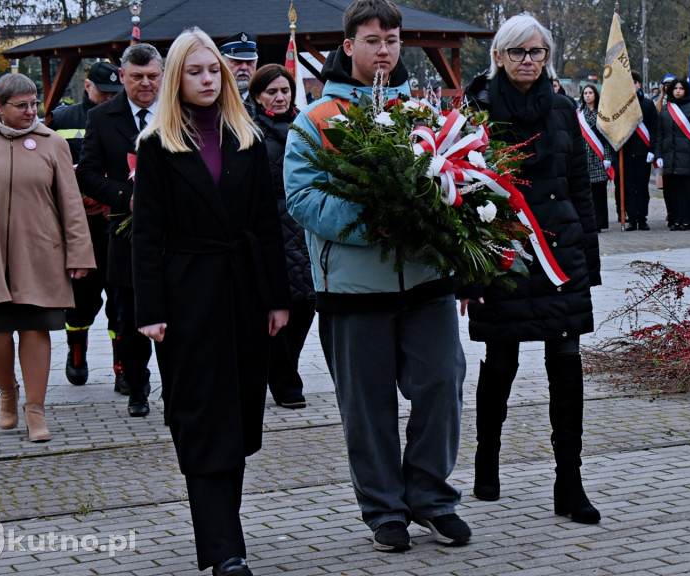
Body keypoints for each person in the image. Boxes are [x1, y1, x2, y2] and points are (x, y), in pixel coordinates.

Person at [285, 0, 472, 552]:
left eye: (392, 39)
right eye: (372, 40)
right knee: (367, 410)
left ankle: (431, 499)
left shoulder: (426, 114)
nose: (384, 49)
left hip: (426, 282)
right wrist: (375, 222)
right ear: (349, 47)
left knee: (442, 385)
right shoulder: (316, 119)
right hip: (352, 287)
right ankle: (384, 510)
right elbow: (302, 197)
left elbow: (455, 181)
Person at [132, 27, 289, 576]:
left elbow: (267, 224)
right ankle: (224, 550)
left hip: (244, 289)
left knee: (240, 414)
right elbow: (146, 233)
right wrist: (148, 308)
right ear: (177, 78)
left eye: (212, 71)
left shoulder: (246, 137)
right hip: (186, 295)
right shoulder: (156, 145)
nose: (206, 79)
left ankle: (228, 536)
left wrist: (277, 297)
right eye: (194, 71)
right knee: (201, 417)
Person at [462, 13, 602, 525]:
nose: (528, 61)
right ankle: (487, 456)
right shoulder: (475, 110)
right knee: (501, 361)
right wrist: (469, 272)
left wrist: (589, 258)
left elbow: (580, 187)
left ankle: (570, 482)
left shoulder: (565, 109)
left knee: (566, 364)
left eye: (537, 52)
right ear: (498, 56)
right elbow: (461, 195)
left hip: (560, 253)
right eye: (518, 52)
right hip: (505, 251)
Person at [0, 73, 95, 442]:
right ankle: (7, 393)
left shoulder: (52, 142)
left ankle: (35, 410)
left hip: (39, 253)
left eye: (33, 105)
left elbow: (70, 204)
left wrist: (79, 254)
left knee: (35, 326)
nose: (31, 112)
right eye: (21, 106)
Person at [76, 43, 163, 418]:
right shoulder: (101, 117)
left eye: (153, 77)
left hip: (175, 235)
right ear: (123, 78)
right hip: (125, 234)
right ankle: (137, 387)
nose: (145, 84)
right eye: (137, 77)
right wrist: (126, 197)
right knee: (127, 317)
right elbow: (89, 173)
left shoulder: (180, 112)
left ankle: (176, 385)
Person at [47, 61, 125, 390]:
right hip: (80, 228)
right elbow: (50, 172)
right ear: (87, 85)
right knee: (81, 300)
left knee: (122, 300)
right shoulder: (61, 120)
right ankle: (76, 353)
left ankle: (124, 366)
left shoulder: (126, 118)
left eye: (114, 94)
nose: (109, 98)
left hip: (118, 223)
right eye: (104, 92)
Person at [250, 64, 315, 409]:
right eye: (272, 91)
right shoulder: (248, 131)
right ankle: (286, 382)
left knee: (306, 303)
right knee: (277, 304)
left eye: (285, 90)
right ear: (258, 96)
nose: (279, 97)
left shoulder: (306, 124)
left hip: (304, 223)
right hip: (269, 223)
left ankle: (279, 370)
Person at [655, 78, 690, 231]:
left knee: (687, 190)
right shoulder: (665, 109)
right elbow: (659, 134)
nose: (678, 91)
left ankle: (688, 220)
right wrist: (658, 155)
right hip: (669, 156)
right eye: (675, 88)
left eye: (681, 88)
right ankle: (675, 220)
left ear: (686, 90)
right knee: (672, 191)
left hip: (688, 155)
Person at [615, 71, 657, 231]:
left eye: (633, 82)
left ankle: (642, 218)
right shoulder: (621, 106)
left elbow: (654, 128)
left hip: (643, 153)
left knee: (642, 187)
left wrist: (652, 150)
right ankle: (631, 218)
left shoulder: (647, 104)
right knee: (628, 188)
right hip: (626, 153)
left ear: (638, 84)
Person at [579, 84, 611, 229]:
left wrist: (608, 157)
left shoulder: (602, 113)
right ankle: (589, 222)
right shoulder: (579, 114)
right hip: (584, 155)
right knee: (587, 193)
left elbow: (607, 138)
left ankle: (600, 222)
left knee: (599, 193)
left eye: (590, 92)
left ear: (595, 95)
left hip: (599, 156)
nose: (587, 95)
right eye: (585, 93)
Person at [218, 32, 258, 103]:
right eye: (237, 61)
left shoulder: (266, 100)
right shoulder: (212, 100)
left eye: (250, 62)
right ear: (222, 64)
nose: (244, 67)